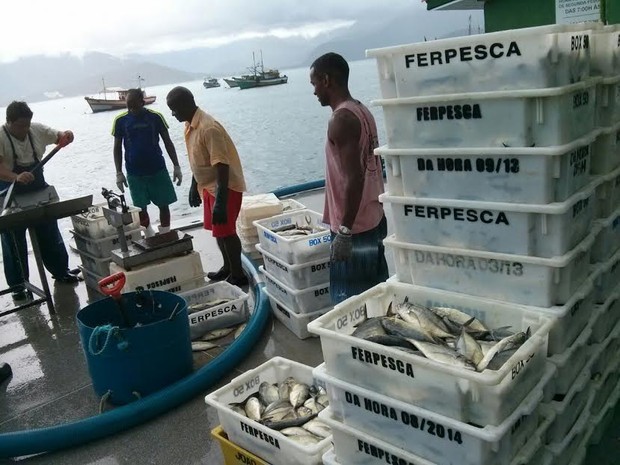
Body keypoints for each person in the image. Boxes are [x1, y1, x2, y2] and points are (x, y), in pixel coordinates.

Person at [309, 53, 389, 304]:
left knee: (351, 304)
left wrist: (343, 231)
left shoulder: (341, 119)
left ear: (326, 79)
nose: (314, 92)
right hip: (373, 217)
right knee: (375, 296)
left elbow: (354, 178)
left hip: (354, 227)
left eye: (314, 84)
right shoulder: (361, 110)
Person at [166, 86, 248, 287]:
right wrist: (194, 186)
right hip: (208, 187)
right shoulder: (190, 126)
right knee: (218, 231)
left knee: (227, 231)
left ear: (187, 103)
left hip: (224, 187)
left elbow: (221, 166)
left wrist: (221, 202)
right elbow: (199, 160)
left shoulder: (208, 127)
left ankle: (238, 274)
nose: (173, 114)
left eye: (175, 109)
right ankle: (228, 266)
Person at [0, 101, 79, 302]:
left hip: (37, 187)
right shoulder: (0, 136)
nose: (24, 130)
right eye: (19, 126)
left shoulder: (36, 129)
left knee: (49, 232)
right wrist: (15, 177)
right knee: (13, 241)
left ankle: (61, 271)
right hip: (8, 190)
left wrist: (66, 136)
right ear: (9, 122)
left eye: (27, 125)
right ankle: (18, 286)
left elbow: (59, 135)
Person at [112, 88, 182, 237]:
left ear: (142, 102)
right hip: (134, 173)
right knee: (140, 208)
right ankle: (149, 234)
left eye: (134, 105)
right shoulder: (120, 121)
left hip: (158, 169)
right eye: (128, 106)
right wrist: (119, 173)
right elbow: (117, 148)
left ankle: (165, 233)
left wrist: (176, 166)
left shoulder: (156, 117)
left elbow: (168, 142)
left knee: (164, 204)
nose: (131, 109)